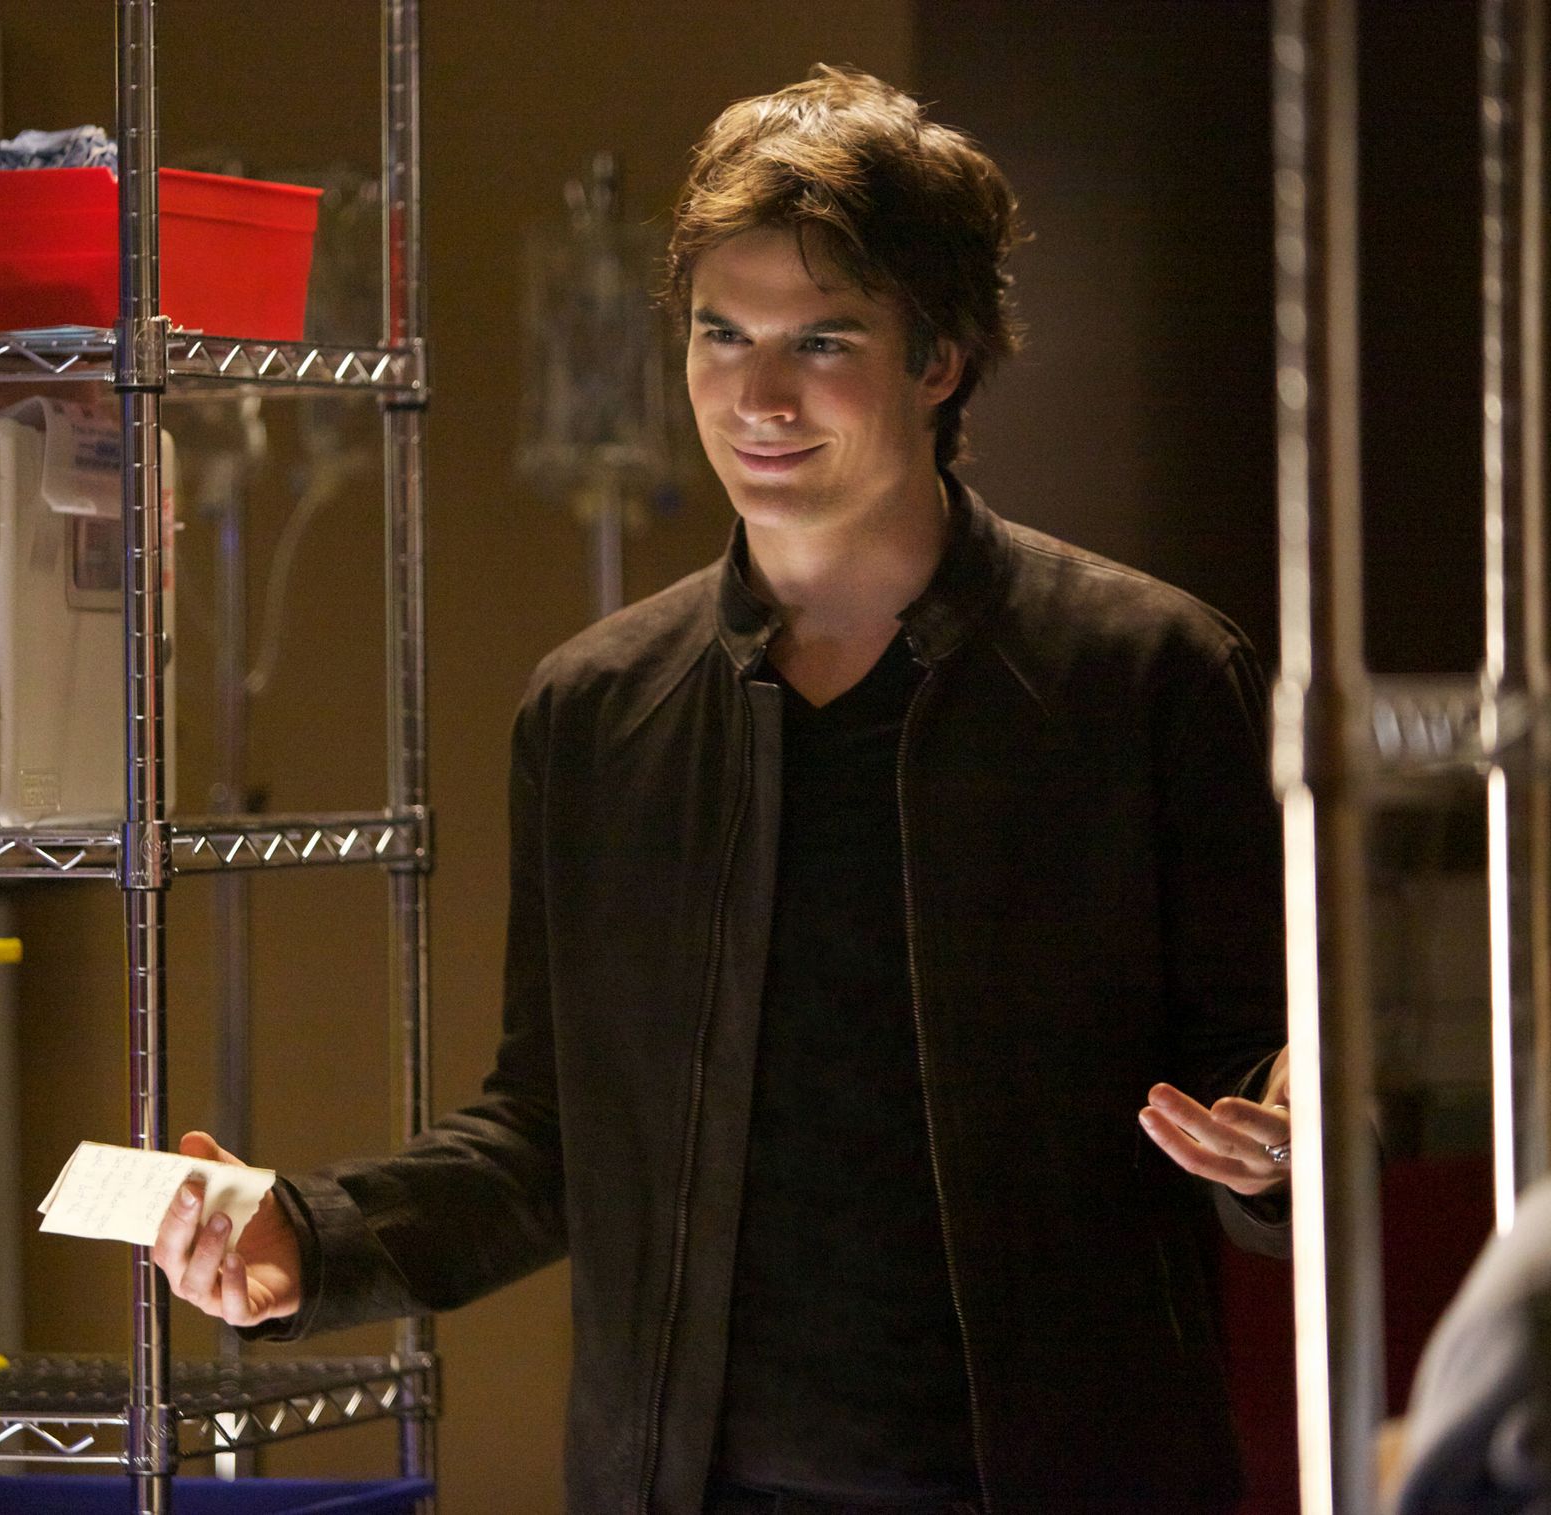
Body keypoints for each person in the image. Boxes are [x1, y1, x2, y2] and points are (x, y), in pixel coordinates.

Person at [153, 66, 1294, 1515]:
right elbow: (552, 1135)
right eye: (720, 334)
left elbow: (1273, 1069)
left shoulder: (1146, 674)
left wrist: (1288, 1137)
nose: (757, 397)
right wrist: (311, 1237)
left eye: (823, 340)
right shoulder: (597, 708)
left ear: (940, 361)